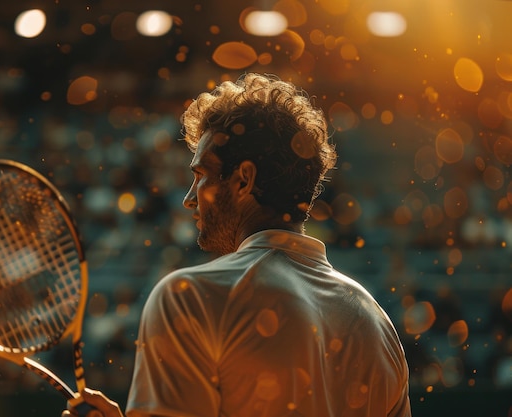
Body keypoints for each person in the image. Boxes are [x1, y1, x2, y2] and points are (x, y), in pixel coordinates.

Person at [63, 73, 411, 417]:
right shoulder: (376, 323)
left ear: (243, 180)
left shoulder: (189, 297)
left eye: (200, 176)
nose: (188, 199)